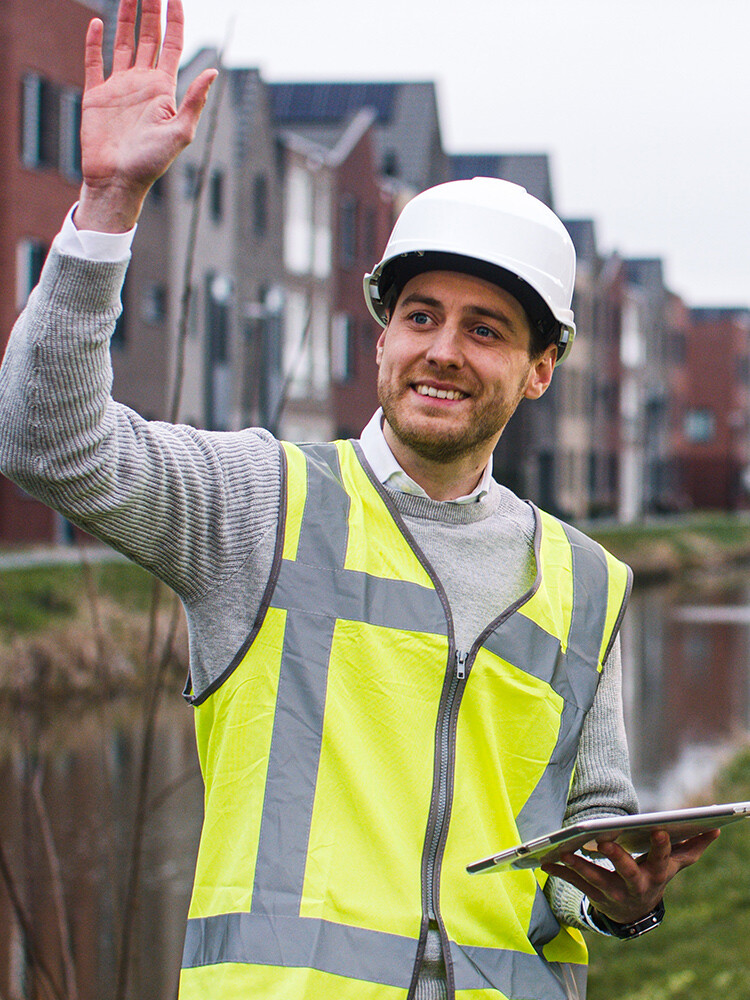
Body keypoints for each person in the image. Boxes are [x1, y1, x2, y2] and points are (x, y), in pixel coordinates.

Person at [0, 1, 719, 997]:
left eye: (486, 330)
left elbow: (583, 842)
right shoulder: (260, 506)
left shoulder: (586, 582)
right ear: (380, 336)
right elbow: (47, 443)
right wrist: (109, 204)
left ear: (541, 368)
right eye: (420, 316)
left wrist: (622, 899)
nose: (442, 350)